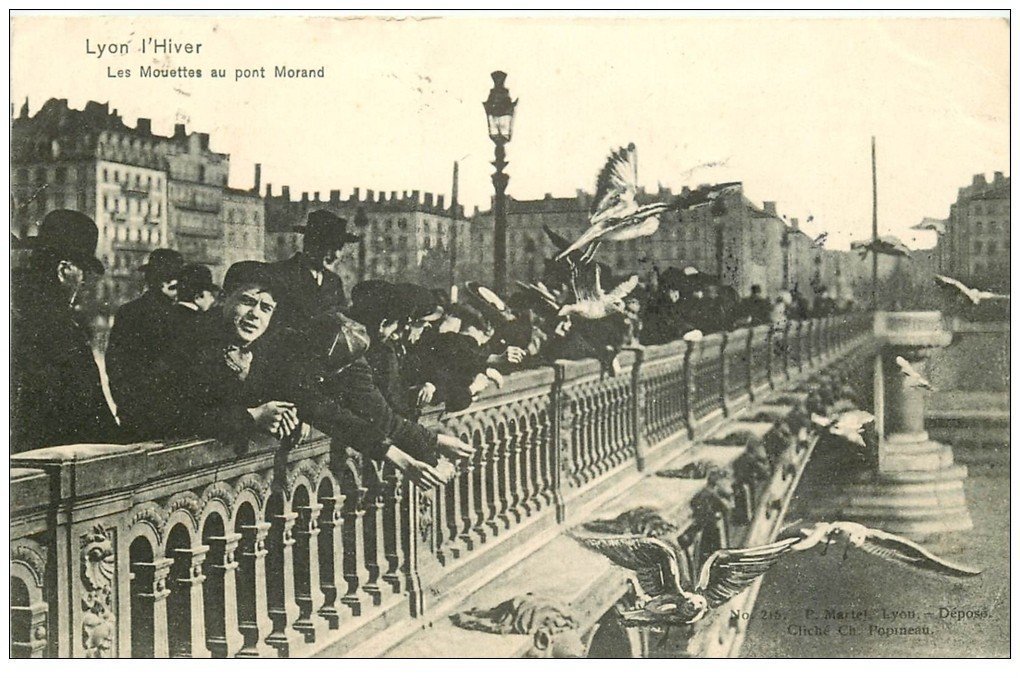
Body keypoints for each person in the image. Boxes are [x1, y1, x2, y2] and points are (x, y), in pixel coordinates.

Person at [11, 210, 119, 452]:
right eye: (83, 274)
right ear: (63, 270)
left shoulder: (17, 313)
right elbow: (93, 418)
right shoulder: (60, 330)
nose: (83, 284)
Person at [106, 248, 183, 431]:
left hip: (134, 415)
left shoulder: (127, 312)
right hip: (174, 417)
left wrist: (127, 404)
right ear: (166, 283)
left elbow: (114, 365)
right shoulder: (179, 315)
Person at [270, 210, 359, 329]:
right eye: (330, 247)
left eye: (339, 248)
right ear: (310, 245)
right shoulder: (281, 273)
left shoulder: (334, 281)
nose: (337, 255)